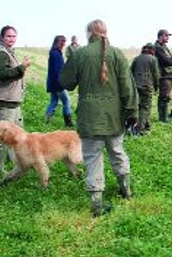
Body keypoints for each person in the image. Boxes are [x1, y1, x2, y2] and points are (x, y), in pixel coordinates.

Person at [59, 19, 138, 217]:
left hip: (89, 117)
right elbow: (128, 88)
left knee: (93, 157)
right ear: (105, 32)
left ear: (89, 33)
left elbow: (66, 82)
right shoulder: (117, 54)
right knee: (117, 151)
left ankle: (96, 203)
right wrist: (132, 112)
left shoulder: (80, 55)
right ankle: (126, 191)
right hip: (114, 117)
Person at [0, 25, 31, 173]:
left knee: (17, 133)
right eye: (8, 36)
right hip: (4, 100)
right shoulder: (1, 53)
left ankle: (19, 162)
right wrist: (22, 68)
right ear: (1, 37)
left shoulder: (7, 51)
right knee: (2, 134)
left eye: (13, 36)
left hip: (12, 99)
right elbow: (3, 75)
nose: (11, 39)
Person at [130, 43, 160, 135]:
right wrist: (156, 87)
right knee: (145, 107)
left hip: (135, 86)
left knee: (138, 106)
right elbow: (156, 74)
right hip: (146, 86)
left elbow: (130, 72)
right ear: (152, 50)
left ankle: (146, 125)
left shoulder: (136, 58)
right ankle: (140, 130)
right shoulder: (153, 59)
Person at [45, 35, 73, 127]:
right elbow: (59, 71)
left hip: (53, 83)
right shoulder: (56, 54)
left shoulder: (54, 52)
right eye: (62, 42)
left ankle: (47, 121)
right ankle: (68, 123)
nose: (64, 44)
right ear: (58, 42)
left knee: (54, 102)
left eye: (64, 42)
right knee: (67, 101)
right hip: (58, 83)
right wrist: (63, 82)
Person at [154, 29, 172, 123]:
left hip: (168, 74)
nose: (168, 38)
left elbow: (168, 59)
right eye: (166, 35)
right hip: (164, 75)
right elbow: (166, 61)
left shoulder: (163, 46)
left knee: (166, 96)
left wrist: (171, 60)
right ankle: (163, 118)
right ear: (160, 36)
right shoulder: (158, 47)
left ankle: (164, 116)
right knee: (164, 96)